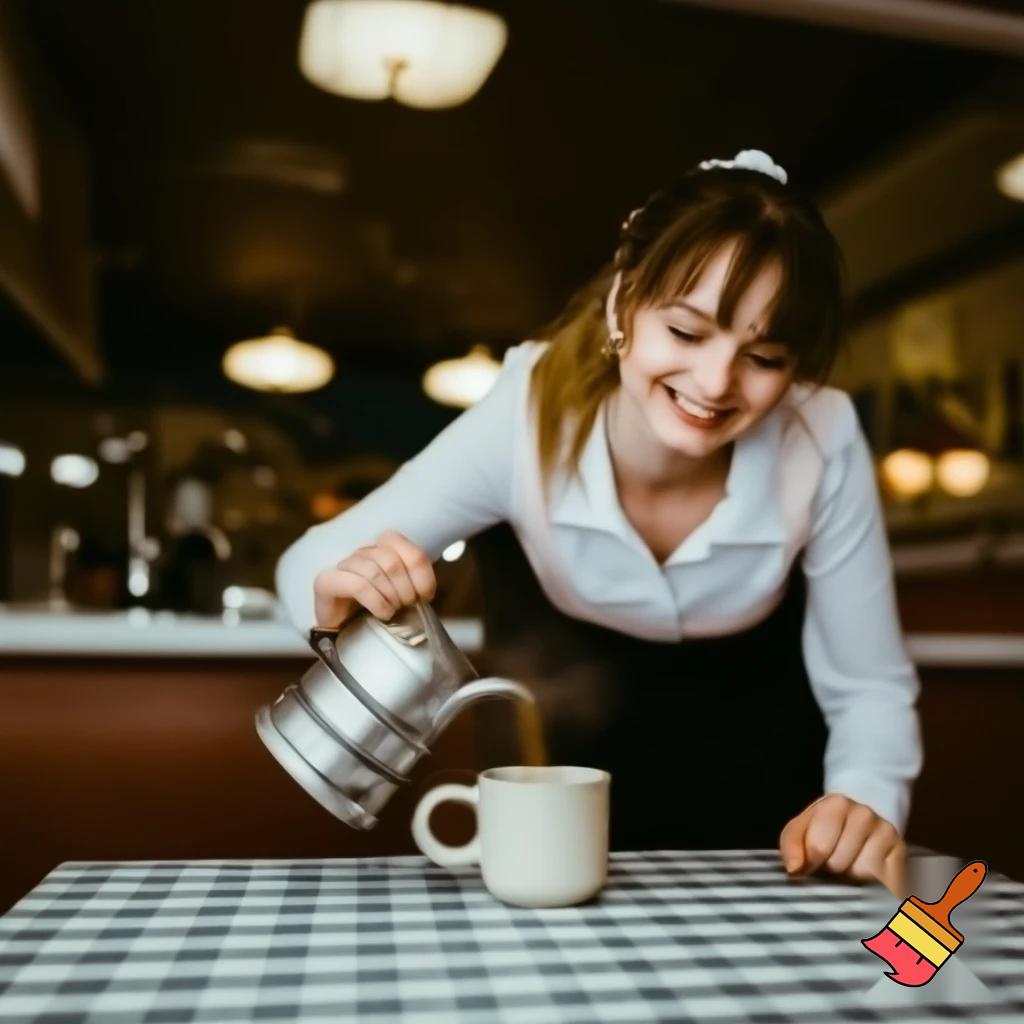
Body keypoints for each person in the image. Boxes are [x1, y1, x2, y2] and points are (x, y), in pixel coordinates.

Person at [275, 149, 921, 887]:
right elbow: (307, 566)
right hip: (550, 832)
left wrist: (863, 803)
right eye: (685, 333)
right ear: (623, 308)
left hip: (767, 839)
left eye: (765, 356)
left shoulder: (823, 435)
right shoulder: (528, 411)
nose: (715, 383)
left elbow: (869, 685)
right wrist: (341, 595)